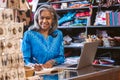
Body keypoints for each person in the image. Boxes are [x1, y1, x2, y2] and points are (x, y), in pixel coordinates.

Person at [21, 4, 65, 71]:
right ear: (37, 18)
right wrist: (33, 65)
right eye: (41, 18)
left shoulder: (58, 34)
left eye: (48, 18)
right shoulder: (29, 35)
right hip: (36, 74)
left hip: (53, 74)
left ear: (53, 20)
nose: (44, 21)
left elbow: (61, 57)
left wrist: (52, 62)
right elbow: (25, 59)